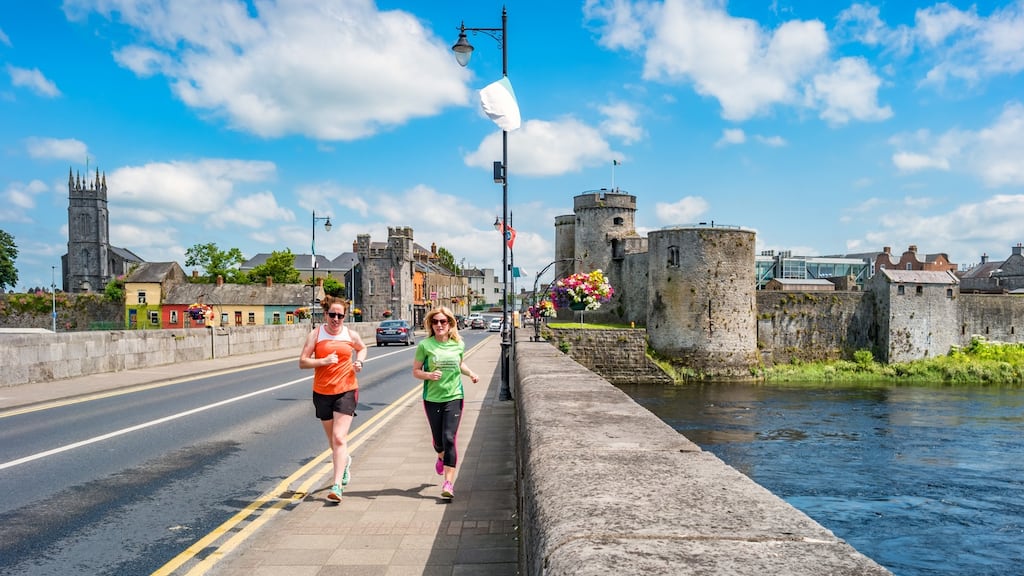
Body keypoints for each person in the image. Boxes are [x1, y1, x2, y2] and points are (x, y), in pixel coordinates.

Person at [299, 295, 367, 503]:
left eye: (340, 315)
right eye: (332, 315)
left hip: (346, 389)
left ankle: (337, 486)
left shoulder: (350, 334)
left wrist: (359, 362)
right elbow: (303, 362)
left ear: (345, 316)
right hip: (322, 392)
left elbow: (362, 348)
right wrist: (323, 361)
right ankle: (345, 462)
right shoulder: (316, 334)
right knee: (333, 441)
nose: (336, 319)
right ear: (325, 314)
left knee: (339, 438)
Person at [412, 306, 479, 499]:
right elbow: (415, 371)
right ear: (431, 325)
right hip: (432, 398)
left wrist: (471, 373)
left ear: (450, 324)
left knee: (449, 438)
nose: (439, 325)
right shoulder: (425, 345)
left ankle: (448, 483)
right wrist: (428, 375)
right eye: (435, 322)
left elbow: (459, 363)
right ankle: (440, 455)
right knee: (438, 440)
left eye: (443, 321)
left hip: (454, 396)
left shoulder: (458, 344)